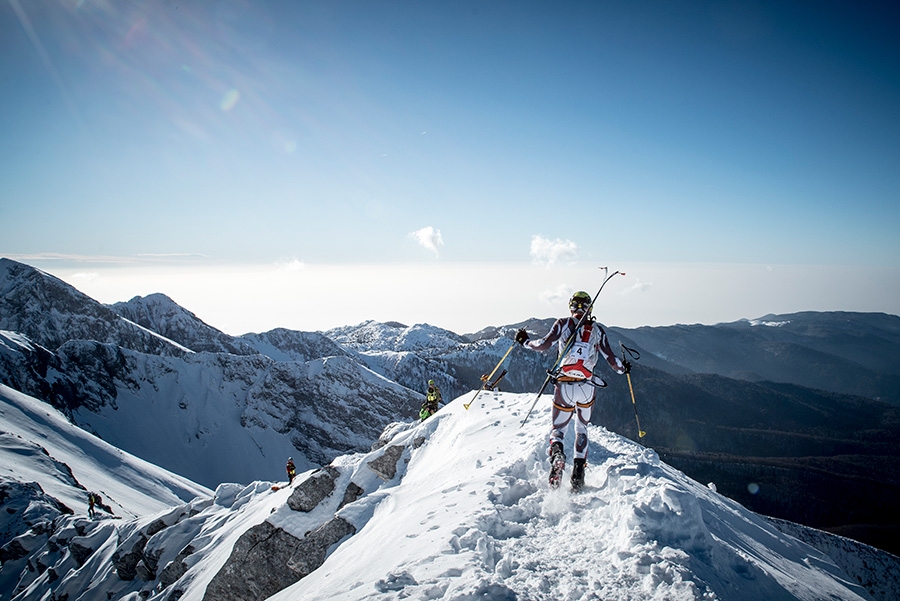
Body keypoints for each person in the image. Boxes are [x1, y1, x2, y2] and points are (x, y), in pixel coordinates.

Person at [515, 291, 629, 491]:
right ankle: (578, 475)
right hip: (586, 386)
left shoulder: (562, 323)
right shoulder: (597, 331)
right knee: (582, 429)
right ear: (589, 308)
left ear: (572, 306)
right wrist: (624, 368)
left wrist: (525, 341)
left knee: (558, 430)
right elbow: (614, 364)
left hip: (564, 385)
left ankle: (557, 455)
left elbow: (542, 345)